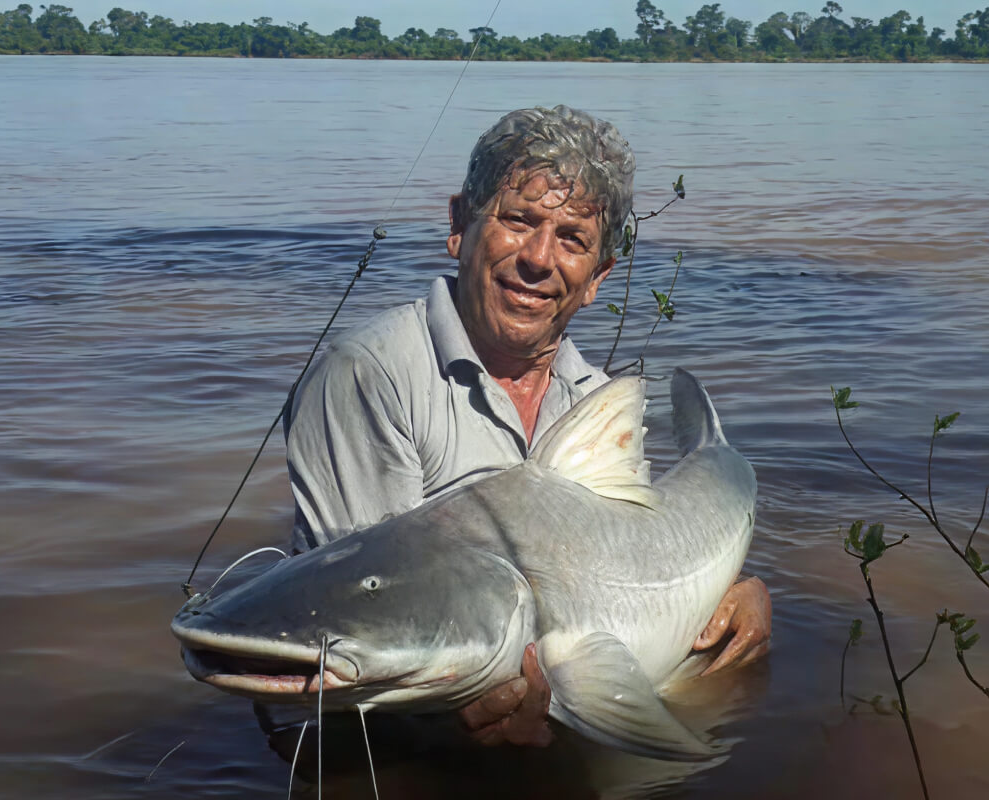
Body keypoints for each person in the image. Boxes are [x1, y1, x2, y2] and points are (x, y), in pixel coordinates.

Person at [282, 105, 771, 748]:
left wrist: (738, 594)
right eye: (519, 220)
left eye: (573, 239)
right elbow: (361, 622)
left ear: (597, 278)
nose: (540, 259)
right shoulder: (370, 378)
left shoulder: (594, 403)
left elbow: (637, 560)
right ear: (459, 225)